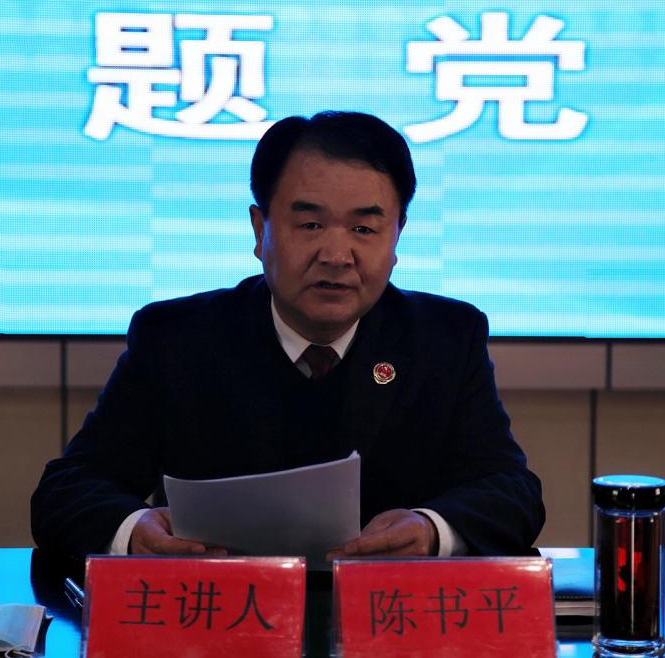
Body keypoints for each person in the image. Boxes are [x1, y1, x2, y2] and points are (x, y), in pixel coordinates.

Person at [31, 111, 544, 559]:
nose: (336, 256)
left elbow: (510, 491)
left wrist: (432, 531)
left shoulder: (445, 338)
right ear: (261, 231)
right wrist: (134, 531)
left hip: (385, 619)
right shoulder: (177, 339)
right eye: (310, 225)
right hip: (222, 618)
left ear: (396, 237)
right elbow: (67, 490)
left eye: (364, 229)